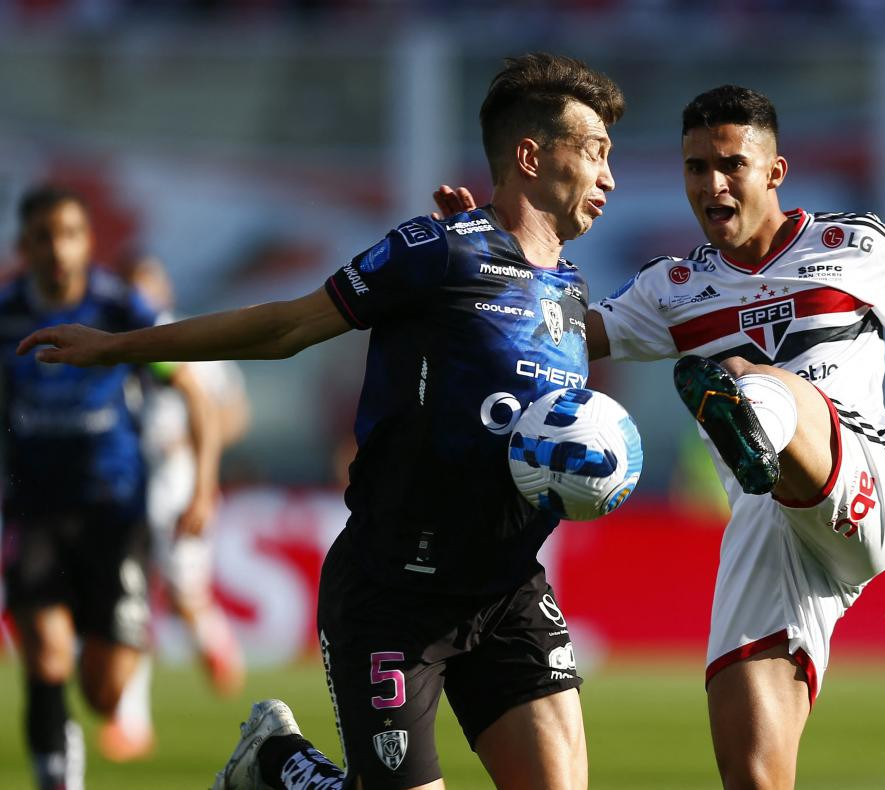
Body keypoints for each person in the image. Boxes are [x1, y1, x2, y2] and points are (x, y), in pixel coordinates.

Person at [435, 84, 885, 789]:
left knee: (760, 381)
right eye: (694, 168)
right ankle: (745, 420)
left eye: (729, 165)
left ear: (773, 173)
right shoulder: (673, 287)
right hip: (770, 524)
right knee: (751, 768)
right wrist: (492, 256)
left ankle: (745, 412)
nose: (711, 183)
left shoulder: (854, 245)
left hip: (869, 466)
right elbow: (550, 334)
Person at [19, 52, 624, 790]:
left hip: (507, 591)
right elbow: (284, 328)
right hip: (393, 593)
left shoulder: (566, 287)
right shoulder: (436, 251)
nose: (609, 177)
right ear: (530, 155)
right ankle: (279, 762)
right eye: (594, 153)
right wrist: (119, 348)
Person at [0, 185, 220, 788]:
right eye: (42, 236)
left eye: (68, 234)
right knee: (44, 656)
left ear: (87, 241)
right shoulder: (5, 313)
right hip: (33, 508)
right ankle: (57, 773)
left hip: (114, 511)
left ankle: (105, 633)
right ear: (25, 244)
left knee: (103, 693)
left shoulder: (121, 309)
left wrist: (202, 487)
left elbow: (193, 395)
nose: (56, 249)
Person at [98, 253, 248, 763]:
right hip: (124, 478)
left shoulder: (191, 338)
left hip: (179, 478)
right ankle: (130, 722)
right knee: (129, 598)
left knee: (183, 591)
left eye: (149, 284)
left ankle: (211, 636)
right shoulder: (113, 339)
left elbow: (232, 413)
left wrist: (192, 451)